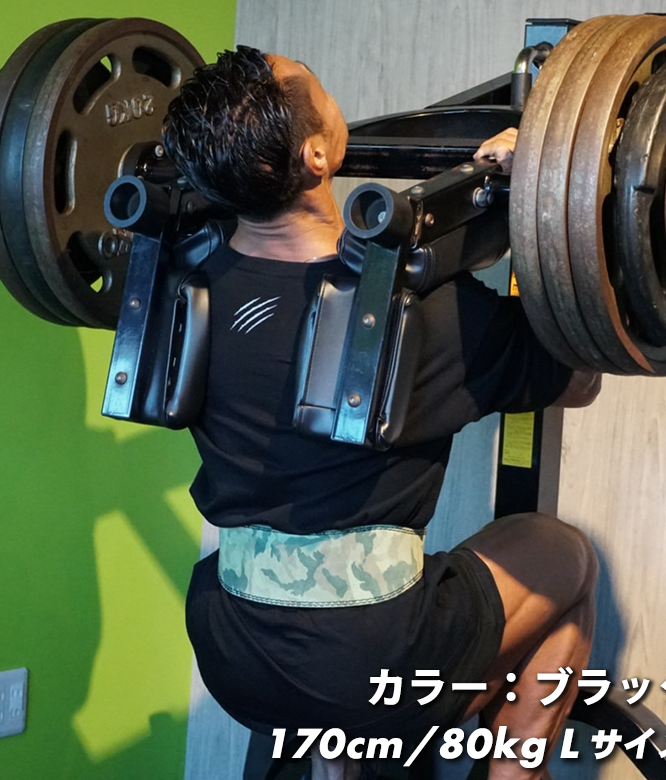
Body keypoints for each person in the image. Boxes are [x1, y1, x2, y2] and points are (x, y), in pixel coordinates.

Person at [162, 46, 601, 780]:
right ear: (315, 156)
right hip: (368, 659)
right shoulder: (426, 315)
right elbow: (579, 379)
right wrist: (559, 218)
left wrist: (480, 202)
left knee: (347, 665)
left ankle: (339, 758)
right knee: (564, 555)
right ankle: (514, 770)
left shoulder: (181, 285)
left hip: (232, 647)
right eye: (319, 84)